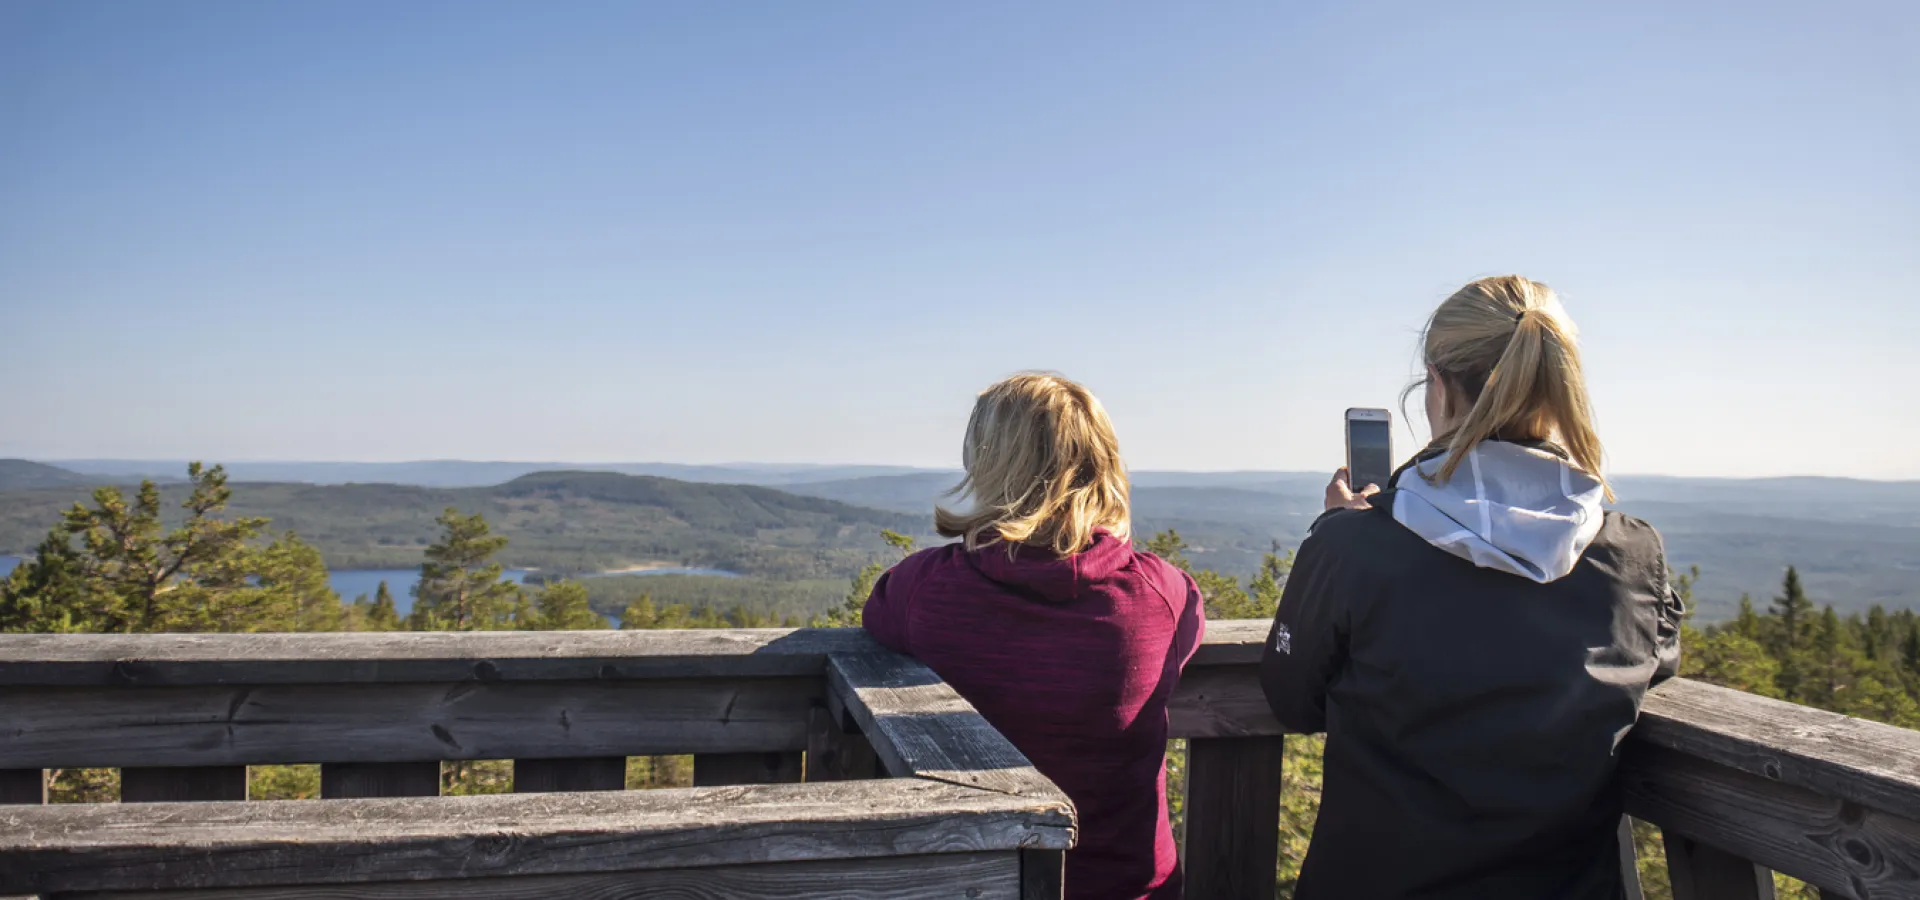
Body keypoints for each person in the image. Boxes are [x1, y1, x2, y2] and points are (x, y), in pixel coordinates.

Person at [1261, 275, 1685, 900]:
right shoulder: (1630, 552)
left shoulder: (1355, 548)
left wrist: (1335, 535)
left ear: (1437, 383)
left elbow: (1291, 698)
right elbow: (1659, 660)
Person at [863, 372, 1205, 900]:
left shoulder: (923, 589)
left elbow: (877, 616)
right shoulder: (1159, 592)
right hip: (1126, 885)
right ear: (1104, 463)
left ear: (988, 464)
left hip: (975, 882)